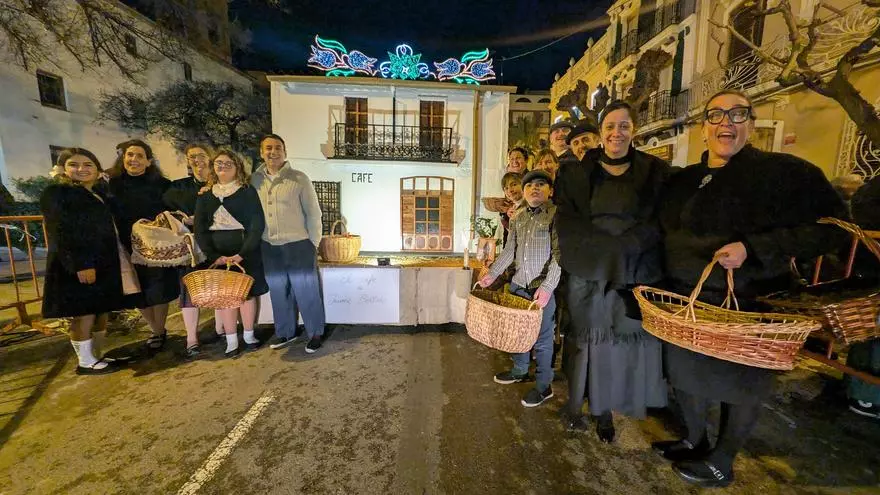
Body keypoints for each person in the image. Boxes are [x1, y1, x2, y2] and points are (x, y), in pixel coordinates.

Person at [655, 89, 848, 487]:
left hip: (748, 301)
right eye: (716, 115)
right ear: (703, 126)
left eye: (737, 114)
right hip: (688, 301)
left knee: (740, 385)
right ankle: (694, 439)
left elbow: (833, 229)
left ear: (752, 123)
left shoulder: (785, 174)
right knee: (685, 377)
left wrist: (754, 248)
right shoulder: (684, 180)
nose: (726, 122)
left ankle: (722, 460)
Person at [555, 100, 669, 443]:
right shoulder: (573, 174)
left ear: (634, 130)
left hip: (632, 271)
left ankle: (606, 409)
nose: (616, 133)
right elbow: (568, 221)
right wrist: (603, 250)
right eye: (610, 126)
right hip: (588, 271)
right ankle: (583, 407)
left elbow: (659, 219)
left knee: (620, 346)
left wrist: (628, 246)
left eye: (624, 126)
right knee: (588, 344)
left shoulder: (655, 171)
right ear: (601, 132)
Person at [41, 148, 134, 374]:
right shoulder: (58, 193)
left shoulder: (97, 193)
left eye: (88, 164)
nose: (81, 169)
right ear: (63, 169)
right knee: (84, 313)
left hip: (102, 262)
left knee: (100, 309)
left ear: (97, 169)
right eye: (74, 165)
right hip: (80, 264)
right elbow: (61, 231)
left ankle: (96, 354)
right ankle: (85, 361)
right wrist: (81, 264)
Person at [478, 169, 561, 408]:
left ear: (550, 191)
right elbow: (509, 251)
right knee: (518, 334)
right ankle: (520, 370)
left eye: (541, 184)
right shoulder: (518, 217)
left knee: (543, 339)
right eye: (529, 185)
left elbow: (559, 256)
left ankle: (544, 386)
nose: (534, 188)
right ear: (524, 192)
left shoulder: (556, 215)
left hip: (540, 290)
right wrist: (492, 274)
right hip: (518, 285)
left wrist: (548, 287)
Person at [251, 134, 326, 353]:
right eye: (268, 148)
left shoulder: (299, 179)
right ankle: (286, 332)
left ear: (285, 152)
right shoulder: (254, 180)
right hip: (269, 246)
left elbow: (314, 213)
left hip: (299, 244)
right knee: (278, 292)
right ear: (261, 152)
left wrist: (313, 243)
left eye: (277, 148)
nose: (273, 152)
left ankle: (315, 333)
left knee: (307, 291)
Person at [107, 139, 180, 352]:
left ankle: (159, 330)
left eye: (140, 156)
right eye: (130, 155)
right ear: (123, 158)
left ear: (149, 161)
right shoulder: (112, 185)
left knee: (159, 289)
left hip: (156, 246)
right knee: (136, 289)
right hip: (126, 245)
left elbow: (174, 209)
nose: (134, 159)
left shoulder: (162, 184)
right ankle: (156, 329)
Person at [194, 150, 269, 358]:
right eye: (219, 163)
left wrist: (243, 253)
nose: (223, 166)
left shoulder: (247, 192)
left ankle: (249, 335)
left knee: (247, 294)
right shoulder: (206, 195)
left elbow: (257, 223)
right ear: (213, 167)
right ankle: (231, 340)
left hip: (244, 250)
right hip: (218, 251)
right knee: (226, 298)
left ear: (237, 167)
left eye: (229, 163)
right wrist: (213, 255)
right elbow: (199, 228)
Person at [163, 143, 225, 358]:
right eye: (191, 157)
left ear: (210, 158)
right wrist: (182, 219)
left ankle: (221, 329)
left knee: (219, 287)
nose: (196, 160)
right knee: (189, 290)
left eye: (200, 155)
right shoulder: (178, 187)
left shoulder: (221, 185)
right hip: (190, 248)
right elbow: (167, 213)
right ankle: (191, 338)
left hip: (216, 243)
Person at [844, 174, 880, 419]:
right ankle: (866, 397)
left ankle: (863, 393)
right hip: (872, 271)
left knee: (867, 332)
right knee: (871, 333)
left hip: (869, 269)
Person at [499, 172, 523, 248]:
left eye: (514, 185)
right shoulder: (511, 209)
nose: (510, 190)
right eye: (506, 188)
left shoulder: (530, 205)